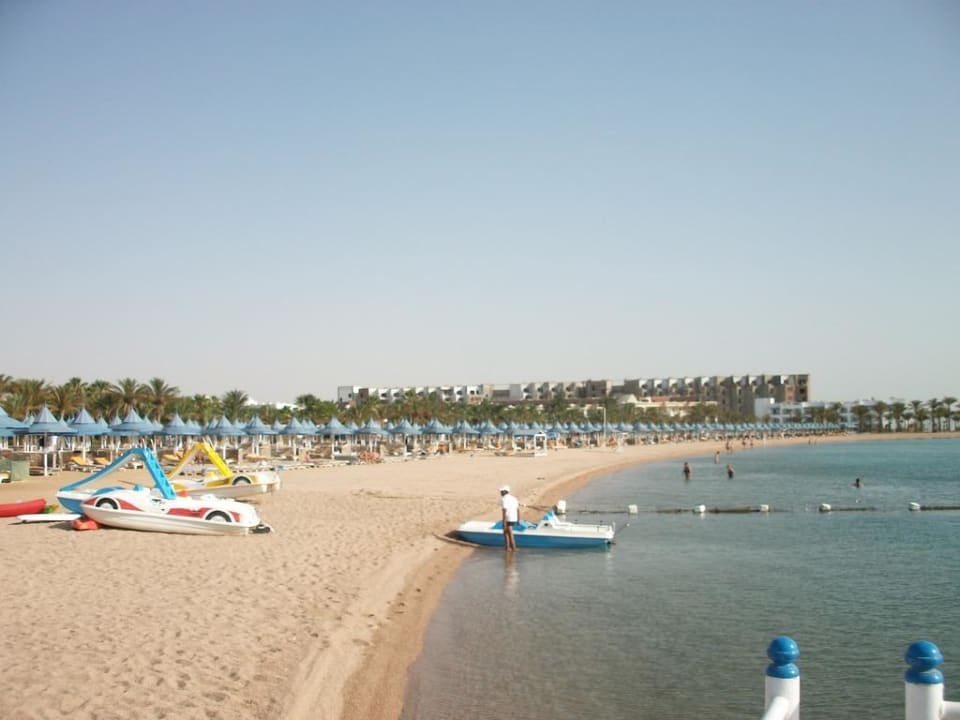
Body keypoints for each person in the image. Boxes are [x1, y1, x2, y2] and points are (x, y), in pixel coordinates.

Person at [499, 485, 520, 551]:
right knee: (508, 532)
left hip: (508, 518)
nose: (500, 492)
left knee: (507, 533)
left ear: (505, 491)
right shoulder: (514, 498)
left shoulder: (504, 499)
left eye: (501, 491)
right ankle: (509, 548)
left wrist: (504, 522)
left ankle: (512, 548)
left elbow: (504, 510)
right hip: (514, 518)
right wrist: (518, 520)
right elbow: (518, 510)